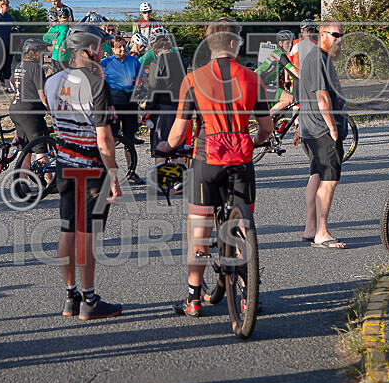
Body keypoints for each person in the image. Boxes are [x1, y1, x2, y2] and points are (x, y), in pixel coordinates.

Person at [156, 17, 272, 317]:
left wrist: (165, 147)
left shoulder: (193, 79)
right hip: (241, 159)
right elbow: (266, 129)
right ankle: (248, 295)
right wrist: (255, 140)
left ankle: (193, 298)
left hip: (206, 159)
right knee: (243, 229)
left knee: (199, 230)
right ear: (234, 44)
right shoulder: (253, 78)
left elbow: (178, 133)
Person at [44, 24, 123, 320]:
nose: (104, 51)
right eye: (101, 46)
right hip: (91, 168)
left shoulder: (52, 81)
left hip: (65, 164)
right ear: (89, 49)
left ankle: (71, 296)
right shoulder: (96, 84)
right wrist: (114, 175)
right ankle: (89, 300)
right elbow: (104, 138)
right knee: (87, 233)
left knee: (67, 228)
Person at [299, 19, 348, 249]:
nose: (340, 39)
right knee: (329, 179)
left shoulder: (320, 58)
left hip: (313, 128)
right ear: (323, 35)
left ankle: (310, 228)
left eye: (342, 35)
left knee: (316, 176)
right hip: (322, 129)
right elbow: (322, 97)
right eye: (335, 35)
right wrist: (333, 128)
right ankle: (321, 232)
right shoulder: (318, 58)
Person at [100, 36, 146, 185]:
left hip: (130, 102)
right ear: (113, 49)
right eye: (119, 47)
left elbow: (143, 79)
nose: (122, 49)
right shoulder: (105, 62)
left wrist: (144, 93)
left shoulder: (134, 61)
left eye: (124, 46)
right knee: (111, 137)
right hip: (113, 102)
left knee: (129, 137)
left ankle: (132, 171)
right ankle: (111, 171)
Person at [10, 38, 51, 193]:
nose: (42, 55)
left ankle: (21, 182)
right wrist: (51, 109)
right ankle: (50, 182)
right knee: (41, 146)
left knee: (24, 147)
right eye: (40, 52)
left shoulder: (19, 66)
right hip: (31, 112)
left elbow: (13, 84)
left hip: (16, 108)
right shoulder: (36, 68)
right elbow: (43, 95)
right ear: (32, 52)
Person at [145, 29, 188, 164]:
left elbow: (153, 90)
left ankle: (160, 177)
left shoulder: (156, 62)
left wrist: (147, 111)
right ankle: (181, 175)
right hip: (179, 107)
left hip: (162, 110)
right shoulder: (181, 59)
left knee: (160, 149)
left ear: (154, 46)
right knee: (178, 148)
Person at [43, 6, 72, 72]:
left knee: (56, 73)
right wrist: (63, 47)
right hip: (63, 57)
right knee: (64, 74)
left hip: (54, 55)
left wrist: (53, 43)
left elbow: (45, 37)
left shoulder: (55, 28)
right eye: (64, 17)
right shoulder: (64, 27)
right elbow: (62, 38)